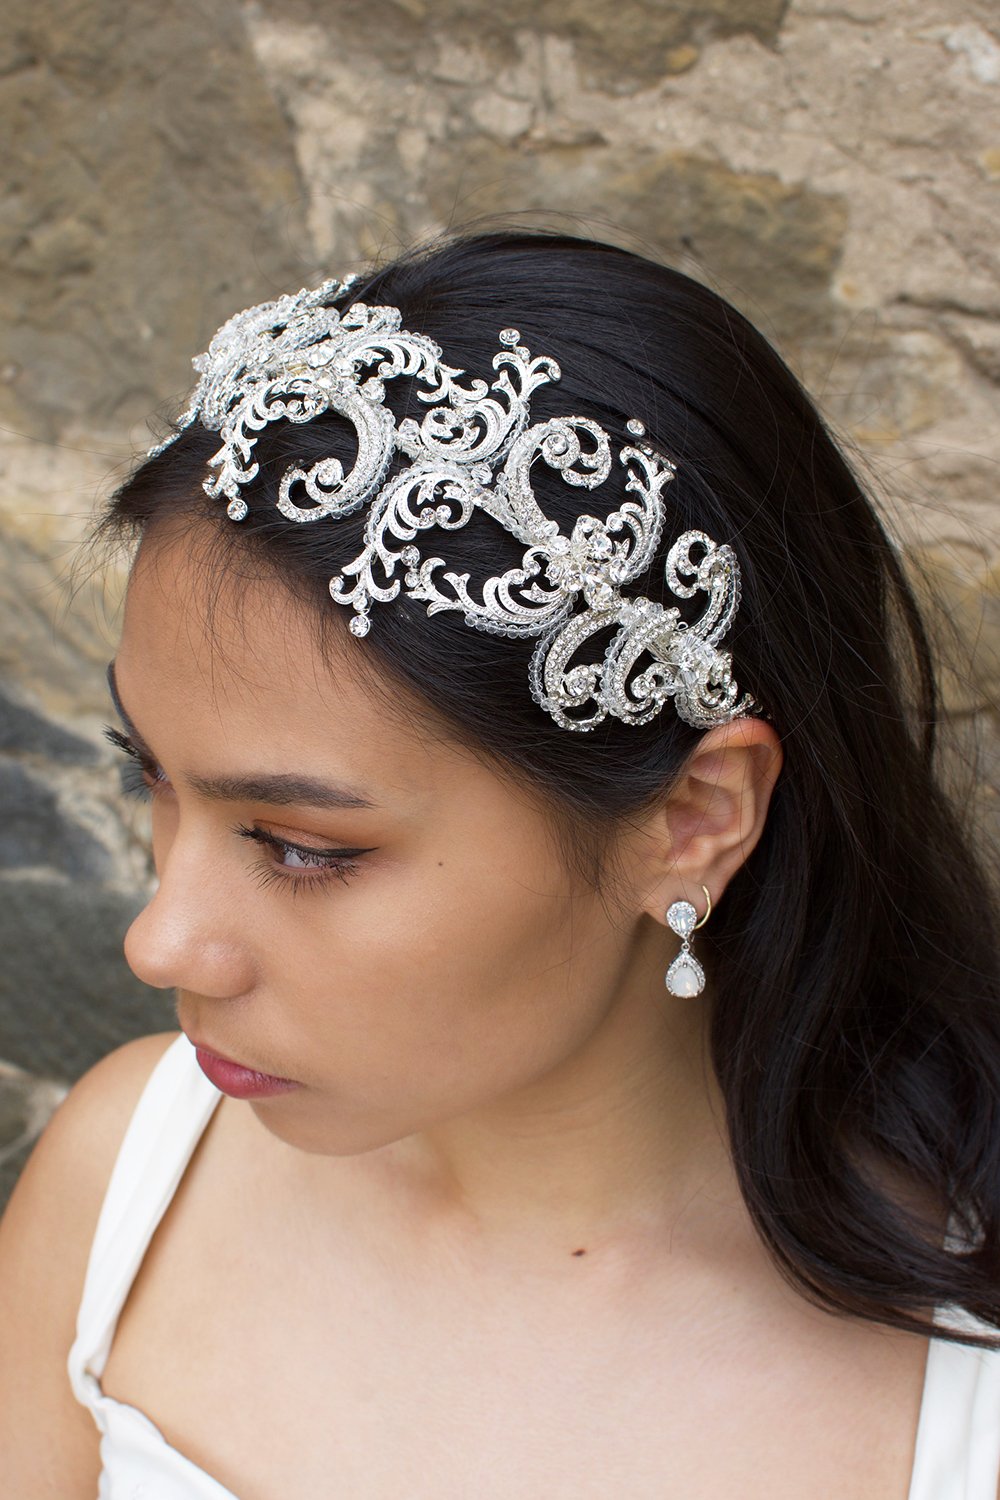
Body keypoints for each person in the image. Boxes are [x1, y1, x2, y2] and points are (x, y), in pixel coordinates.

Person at [1, 229, 998, 1499]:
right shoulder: (127, 1182)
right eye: (148, 775)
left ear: (691, 818)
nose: (159, 942)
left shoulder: (957, 1404)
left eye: (305, 848)